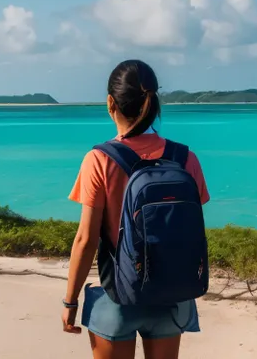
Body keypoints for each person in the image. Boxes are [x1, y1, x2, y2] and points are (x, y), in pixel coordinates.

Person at [61, 59, 210, 359]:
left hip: (118, 295)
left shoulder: (99, 160)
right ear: (154, 103)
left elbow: (86, 239)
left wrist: (70, 302)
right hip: (172, 294)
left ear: (110, 104)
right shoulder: (186, 158)